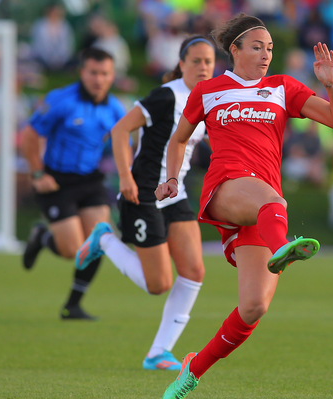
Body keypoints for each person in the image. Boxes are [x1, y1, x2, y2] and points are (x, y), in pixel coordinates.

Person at [154, 13, 333, 399]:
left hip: (263, 206)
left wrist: (330, 84)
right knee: (274, 201)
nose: (265, 55)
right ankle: (284, 247)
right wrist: (171, 177)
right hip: (228, 188)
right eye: (257, 47)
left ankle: (193, 367)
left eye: (270, 49)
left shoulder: (282, 87)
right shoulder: (209, 90)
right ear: (235, 50)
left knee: (253, 307)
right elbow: (178, 140)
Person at [74, 35, 215, 370]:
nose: (203, 67)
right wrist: (125, 177)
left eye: (208, 61)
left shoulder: (211, 100)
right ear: (181, 64)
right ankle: (104, 239)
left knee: (194, 271)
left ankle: (158, 353)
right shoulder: (167, 96)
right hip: (144, 192)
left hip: (175, 191)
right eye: (195, 61)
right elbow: (121, 131)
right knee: (158, 285)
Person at [21, 48, 125, 320]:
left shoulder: (115, 108)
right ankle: (41, 237)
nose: (98, 79)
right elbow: (30, 135)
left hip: (90, 179)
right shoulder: (61, 100)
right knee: (71, 250)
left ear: (112, 76)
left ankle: (73, 306)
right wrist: (36, 173)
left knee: (98, 242)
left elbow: (122, 143)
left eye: (104, 74)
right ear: (82, 73)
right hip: (57, 180)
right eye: (93, 72)